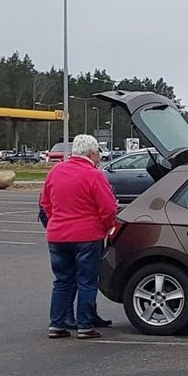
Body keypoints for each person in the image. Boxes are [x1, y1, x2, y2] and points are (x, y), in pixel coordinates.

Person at [40, 134, 117, 340]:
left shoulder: (55, 171)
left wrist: (54, 221)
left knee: (62, 281)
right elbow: (108, 208)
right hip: (87, 236)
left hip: (57, 235)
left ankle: (56, 324)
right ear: (92, 153)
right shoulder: (94, 175)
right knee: (87, 281)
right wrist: (106, 228)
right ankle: (85, 325)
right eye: (98, 153)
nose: (99, 156)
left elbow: (45, 203)